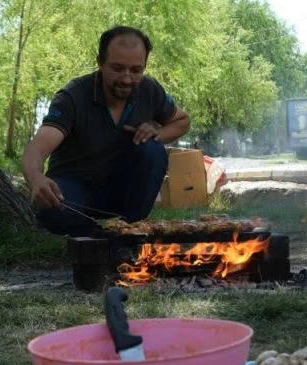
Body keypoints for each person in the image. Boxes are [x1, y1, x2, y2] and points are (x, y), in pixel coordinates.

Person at [21, 26, 190, 236]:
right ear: (100, 62)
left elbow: (182, 121)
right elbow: (36, 149)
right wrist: (36, 180)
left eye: (136, 70)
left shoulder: (150, 90)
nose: (127, 79)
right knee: (53, 211)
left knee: (153, 150)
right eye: (117, 68)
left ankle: (132, 230)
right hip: (76, 188)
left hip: (123, 189)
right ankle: (91, 235)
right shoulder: (73, 97)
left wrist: (157, 133)